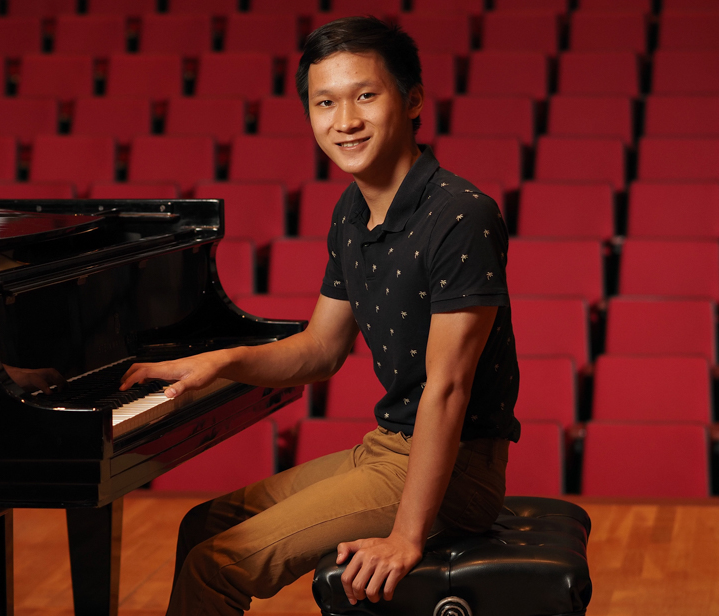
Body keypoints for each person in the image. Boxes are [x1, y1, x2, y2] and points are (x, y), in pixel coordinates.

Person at [119, 16, 520, 615]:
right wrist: (218, 362)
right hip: (388, 448)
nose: (345, 121)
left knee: (217, 566)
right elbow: (320, 350)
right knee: (207, 523)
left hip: (457, 468)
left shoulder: (461, 214)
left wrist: (406, 537)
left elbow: (448, 388)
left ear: (412, 102)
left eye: (365, 96)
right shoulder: (352, 212)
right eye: (323, 102)